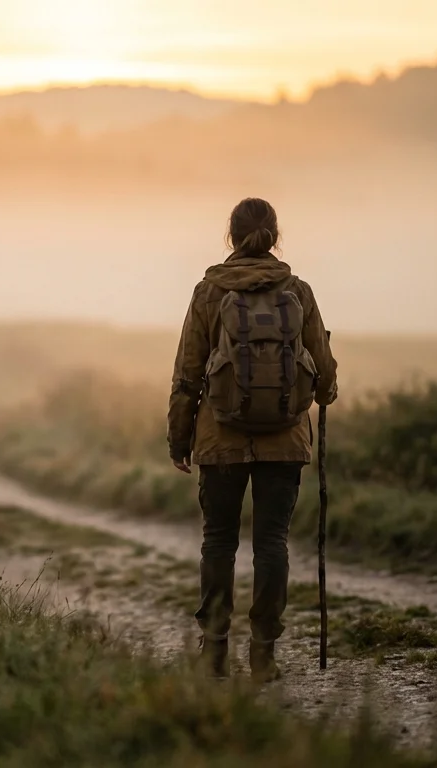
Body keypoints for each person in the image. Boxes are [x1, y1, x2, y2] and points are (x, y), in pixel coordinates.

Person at [166, 197, 338, 682]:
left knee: (219, 541)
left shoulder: (208, 291)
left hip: (219, 440)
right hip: (284, 441)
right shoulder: (298, 291)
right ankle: (264, 655)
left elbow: (187, 374)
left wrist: (179, 439)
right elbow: (323, 374)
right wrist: (324, 391)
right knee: (272, 543)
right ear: (275, 235)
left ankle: (214, 652)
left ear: (231, 235)